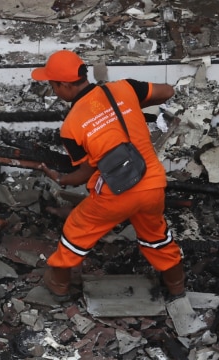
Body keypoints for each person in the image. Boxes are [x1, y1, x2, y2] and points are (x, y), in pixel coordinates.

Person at [31, 50, 185, 301]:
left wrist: (61, 179)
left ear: (62, 85)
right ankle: (177, 287)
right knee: (156, 236)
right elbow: (167, 91)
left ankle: (58, 285)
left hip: (117, 192)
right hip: (153, 184)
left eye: (52, 85)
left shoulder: (71, 127)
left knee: (76, 228)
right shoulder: (124, 89)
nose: (53, 91)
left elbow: (84, 173)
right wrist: (128, 107)